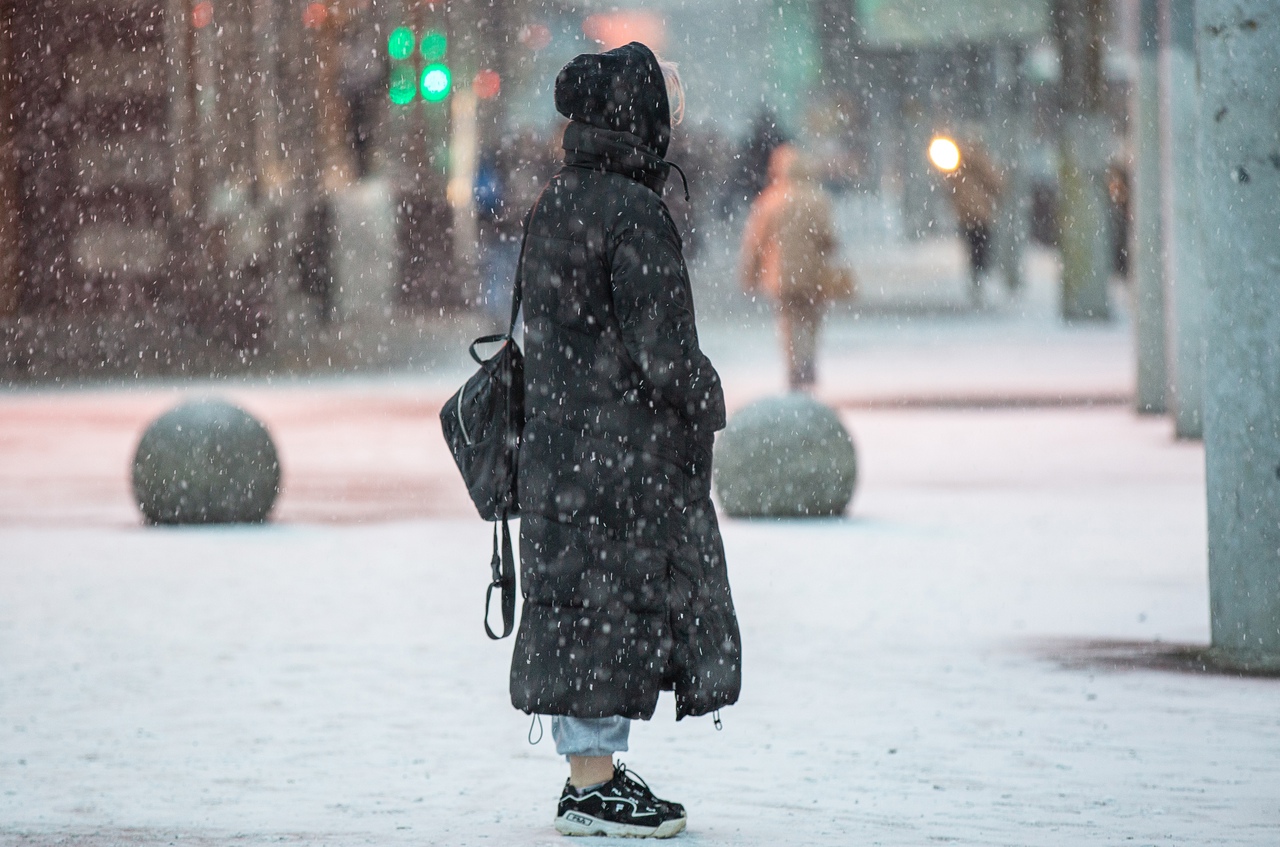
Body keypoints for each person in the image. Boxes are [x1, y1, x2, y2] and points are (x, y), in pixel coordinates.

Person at [513, 42, 741, 839]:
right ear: (636, 121)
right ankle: (589, 788)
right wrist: (706, 394)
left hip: (566, 444)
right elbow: (663, 350)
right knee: (605, 605)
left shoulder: (559, 198)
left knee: (583, 604)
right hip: (616, 451)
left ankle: (594, 771)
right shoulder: (632, 211)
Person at [738, 144, 848, 391]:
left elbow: (754, 242)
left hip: (781, 276)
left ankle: (793, 366)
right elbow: (829, 239)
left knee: (788, 321)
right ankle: (807, 360)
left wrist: (749, 274)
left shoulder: (770, 201)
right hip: (813, 275)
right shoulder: (818, 200)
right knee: (811, 319)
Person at [940, 136, 1006, 299]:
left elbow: (950, 186)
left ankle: (975, 275)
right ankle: (980, 274)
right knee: (982, 246)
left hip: (965, 214)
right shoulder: (983, 162)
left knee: (971, 246)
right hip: (981, 214)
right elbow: (998, 183)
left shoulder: (957, 163)